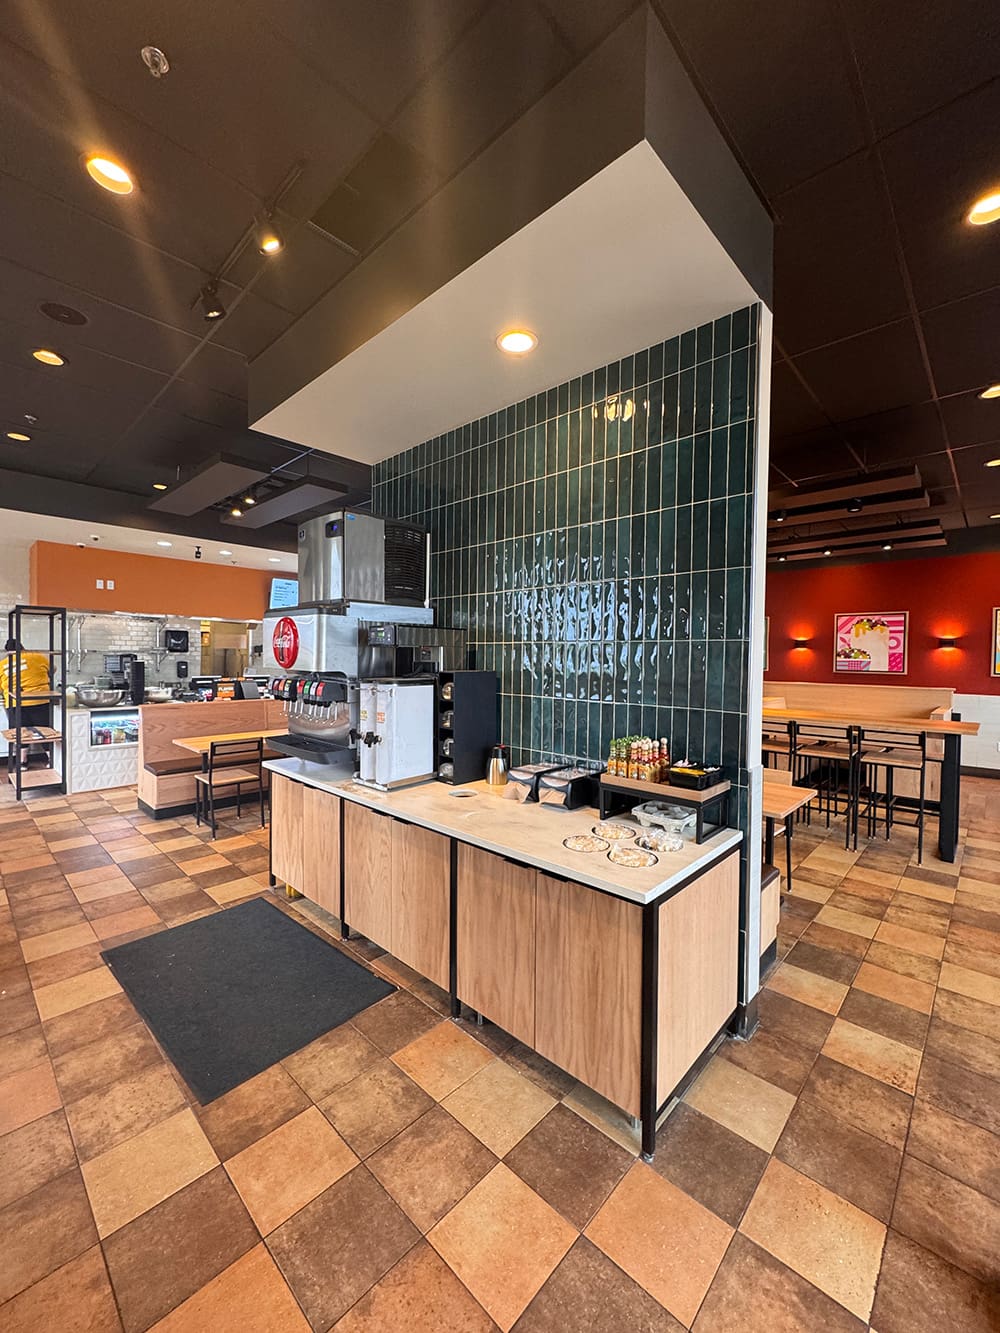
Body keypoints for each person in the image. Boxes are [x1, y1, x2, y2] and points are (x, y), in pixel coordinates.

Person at [1, 637, 52, 762]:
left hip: (15, 702)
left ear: (8, 652)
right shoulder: (37, 657)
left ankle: (23, 762)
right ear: (23, 647)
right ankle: (52, 760)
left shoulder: (3, 665)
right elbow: (52, 669)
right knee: (45, 731)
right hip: (40, 699)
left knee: (20, 733)